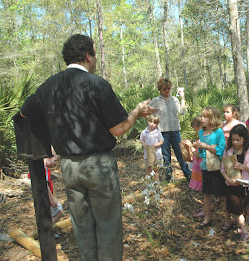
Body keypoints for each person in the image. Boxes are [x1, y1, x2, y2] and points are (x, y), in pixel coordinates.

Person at [20, 34, 156, 261]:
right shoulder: (97, 85)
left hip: (69, 167)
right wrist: (136, 112)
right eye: (94, 54)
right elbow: (119, 128)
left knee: (81, 225)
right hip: (98, 165)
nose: (96, 60)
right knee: (108, 224)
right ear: (87, 56)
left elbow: (25, 112)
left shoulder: (49, 86)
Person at [221, 124, 249, 243]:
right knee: (237, 210)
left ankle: (241, 227)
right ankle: (245, 232)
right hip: (232, 185)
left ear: (244, 138)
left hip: (244, 185)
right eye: (233, 140)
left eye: (238, 139)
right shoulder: (228, 151)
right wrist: (228, 179)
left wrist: (244, 167)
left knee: (243, 209)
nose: (235, 142)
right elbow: (222, 169)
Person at [149, 78, 191, 182]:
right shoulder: (155, 101)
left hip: (175, 130)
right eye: (164, 89)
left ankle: (189, 177)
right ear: (160, 89)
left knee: (181, 155)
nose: (167, 91)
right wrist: (153, 124)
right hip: (162, 132)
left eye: (168, 88)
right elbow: (148, 112)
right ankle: (169, 178)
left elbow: (182, 112)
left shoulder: (174, 100)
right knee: (166, 157)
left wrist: (182, 98)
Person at [193, 107, 226, 229]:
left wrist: (205, 146)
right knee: (206, 193)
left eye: (205, 116)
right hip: (205, 166)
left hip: (216, 167)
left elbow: (221, 150)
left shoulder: (218, 132)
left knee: (222, 193)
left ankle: (227, 219)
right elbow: (202, 152)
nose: (202, 118)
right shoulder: (201, 132)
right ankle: (207, 218)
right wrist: (198, 149)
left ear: (212, 118)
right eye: (201, 116)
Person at [189, 116, 205, 218]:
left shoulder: (202, 139)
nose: (195, 130)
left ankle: (206, 209)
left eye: (195, 128)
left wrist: (190, 147)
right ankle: (205, 207)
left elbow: (198, 154)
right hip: (200, 166)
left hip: (201, 167)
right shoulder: (201, 138)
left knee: (204, 189)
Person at [140, 114, 164, 182]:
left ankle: (156, 183)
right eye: (151, 122)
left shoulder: (157, 132)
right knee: (147, 169)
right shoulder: (144, 132)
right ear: (147, 121)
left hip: (156, 154)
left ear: (157, 124)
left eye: (155, 123)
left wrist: (157, 144)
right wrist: (144, 144)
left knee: (155, 169)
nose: (152, 124)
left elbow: (162, 140)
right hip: (147, 154)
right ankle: (147, 183)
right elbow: (141, 140)